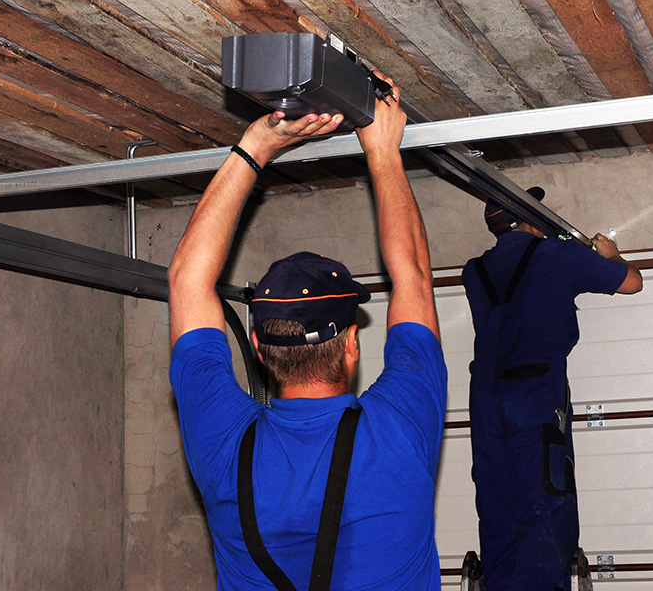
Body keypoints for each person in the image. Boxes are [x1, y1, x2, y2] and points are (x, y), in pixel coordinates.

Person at [167, 82, 446, 591]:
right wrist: (382, 150)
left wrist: (255, 147)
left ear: (258, 349)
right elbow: (414, 276)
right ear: (351, 345)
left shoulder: (224, 441)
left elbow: (187, 278)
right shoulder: (397, 428)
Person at [462, 188, 642, 591]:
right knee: (545, 499)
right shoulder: (555, 255)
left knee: (497, 500)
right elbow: (632, 283)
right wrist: (610, 256)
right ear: (531, 221)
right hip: (535, 392)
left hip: (486, 396)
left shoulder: (474, 271)